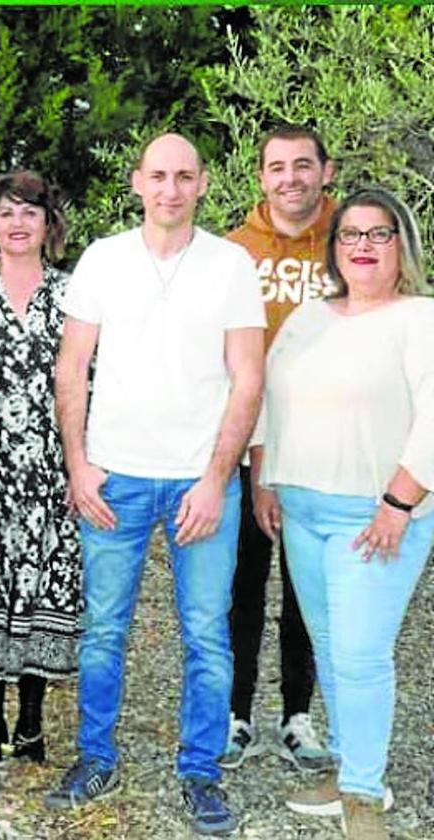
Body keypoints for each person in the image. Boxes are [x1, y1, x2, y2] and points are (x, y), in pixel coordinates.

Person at [46, 133, 265, 837]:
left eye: (184, 176)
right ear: (137, 183)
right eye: (158, 176)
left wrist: (216, 478)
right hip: (117, 480)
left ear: (203, 184)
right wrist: (79, 464)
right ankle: (94, 757)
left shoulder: (231, 265)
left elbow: (248, 379)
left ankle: (201, 771)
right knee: (104, 630)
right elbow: (70, 366)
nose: (170, 189)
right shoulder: (103, 260)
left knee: (207, 633)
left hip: (202, 484)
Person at [254, 188, 434, 839]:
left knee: (360, 654)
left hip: (375, 512)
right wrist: (265, 479)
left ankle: (363, 797)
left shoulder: (420, 319)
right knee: (330, 648)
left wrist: (398, 502)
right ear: (334, 248)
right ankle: (354, 766)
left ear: (401, 245)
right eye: (349, 234)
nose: (361, 245)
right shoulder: (308, 318)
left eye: (377, 234)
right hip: (301, 510)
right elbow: (271, 400)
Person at [0, 171, 81, 766]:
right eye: (7, 213)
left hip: (52, 474)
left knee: (42, 590)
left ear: (49, 225)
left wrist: (83, 465)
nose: (19, 223)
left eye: (31, 212)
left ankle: (31, 721)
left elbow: (90, 383)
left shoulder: (76, 296)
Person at [220, 124, 337, 773]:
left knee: (308, 591)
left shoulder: (350, 246)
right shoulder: (235, 253)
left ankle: (297, 716)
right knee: (240, 588)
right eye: (276, 167)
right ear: (260, 176)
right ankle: (235, 717)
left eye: (301, 165)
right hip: (246, 450)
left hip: (326, 455)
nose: (289, 178)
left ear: (326, 171)